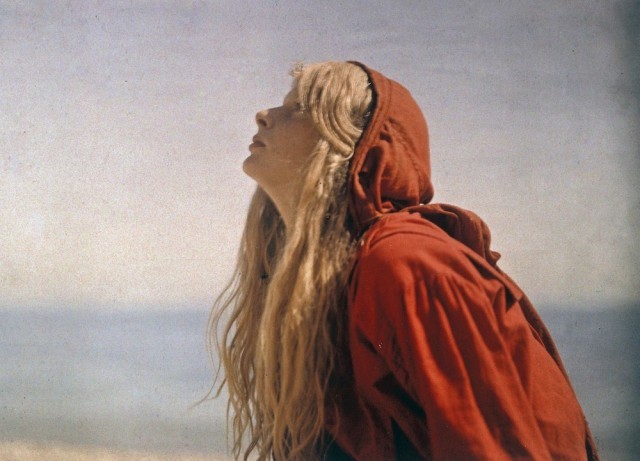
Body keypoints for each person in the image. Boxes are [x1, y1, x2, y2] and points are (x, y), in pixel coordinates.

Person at [210, 61, 599, 461]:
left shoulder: (405, 262)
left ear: (353, 148)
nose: (264, 115)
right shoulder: (323, 274)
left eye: (300, 109)